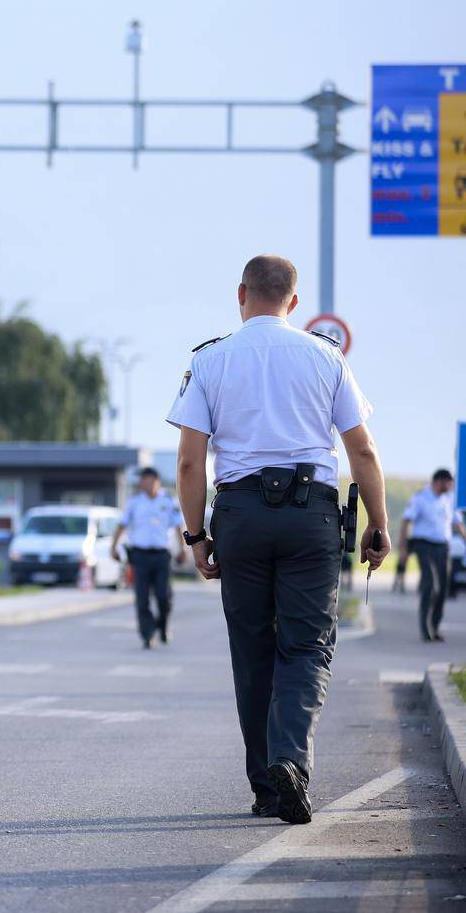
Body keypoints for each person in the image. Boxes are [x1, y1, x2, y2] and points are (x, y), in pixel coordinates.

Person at [166, 255, 388, 826]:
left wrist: (196, 536)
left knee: (252, 650)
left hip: (239, 514)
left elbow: (191, 463)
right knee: (307, 645)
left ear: (240, 294)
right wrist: (378, 524)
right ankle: (292, 759)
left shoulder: (209, 359)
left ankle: (268, 786)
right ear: (295, 302)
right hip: (310, 514)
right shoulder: (326, 357)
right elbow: (361, 451)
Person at [109, 467, 188, 649]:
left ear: (156, 480)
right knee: (142, 598)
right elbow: (122, 525)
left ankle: (163, 626)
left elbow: (178, 526)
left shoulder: (168, 502)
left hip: (161, 556)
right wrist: (113, 547)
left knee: (163, 596)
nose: (145, 483)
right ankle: (147, 633)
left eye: (148, 479)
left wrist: (183, 549)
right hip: (140, 556)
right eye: (142, 480)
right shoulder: (134, 503)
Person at [397, 469, 465, 642]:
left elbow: (458, 524)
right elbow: (406, 522)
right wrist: (403, 549)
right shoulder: (420, 498)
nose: (450, 486)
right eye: (448, 483)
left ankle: (434, 627)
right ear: (439, 481)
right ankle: (425, 628)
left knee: (443, 589)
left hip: (443, 547)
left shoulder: (449, 500)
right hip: (424, 545)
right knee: (431, 585)